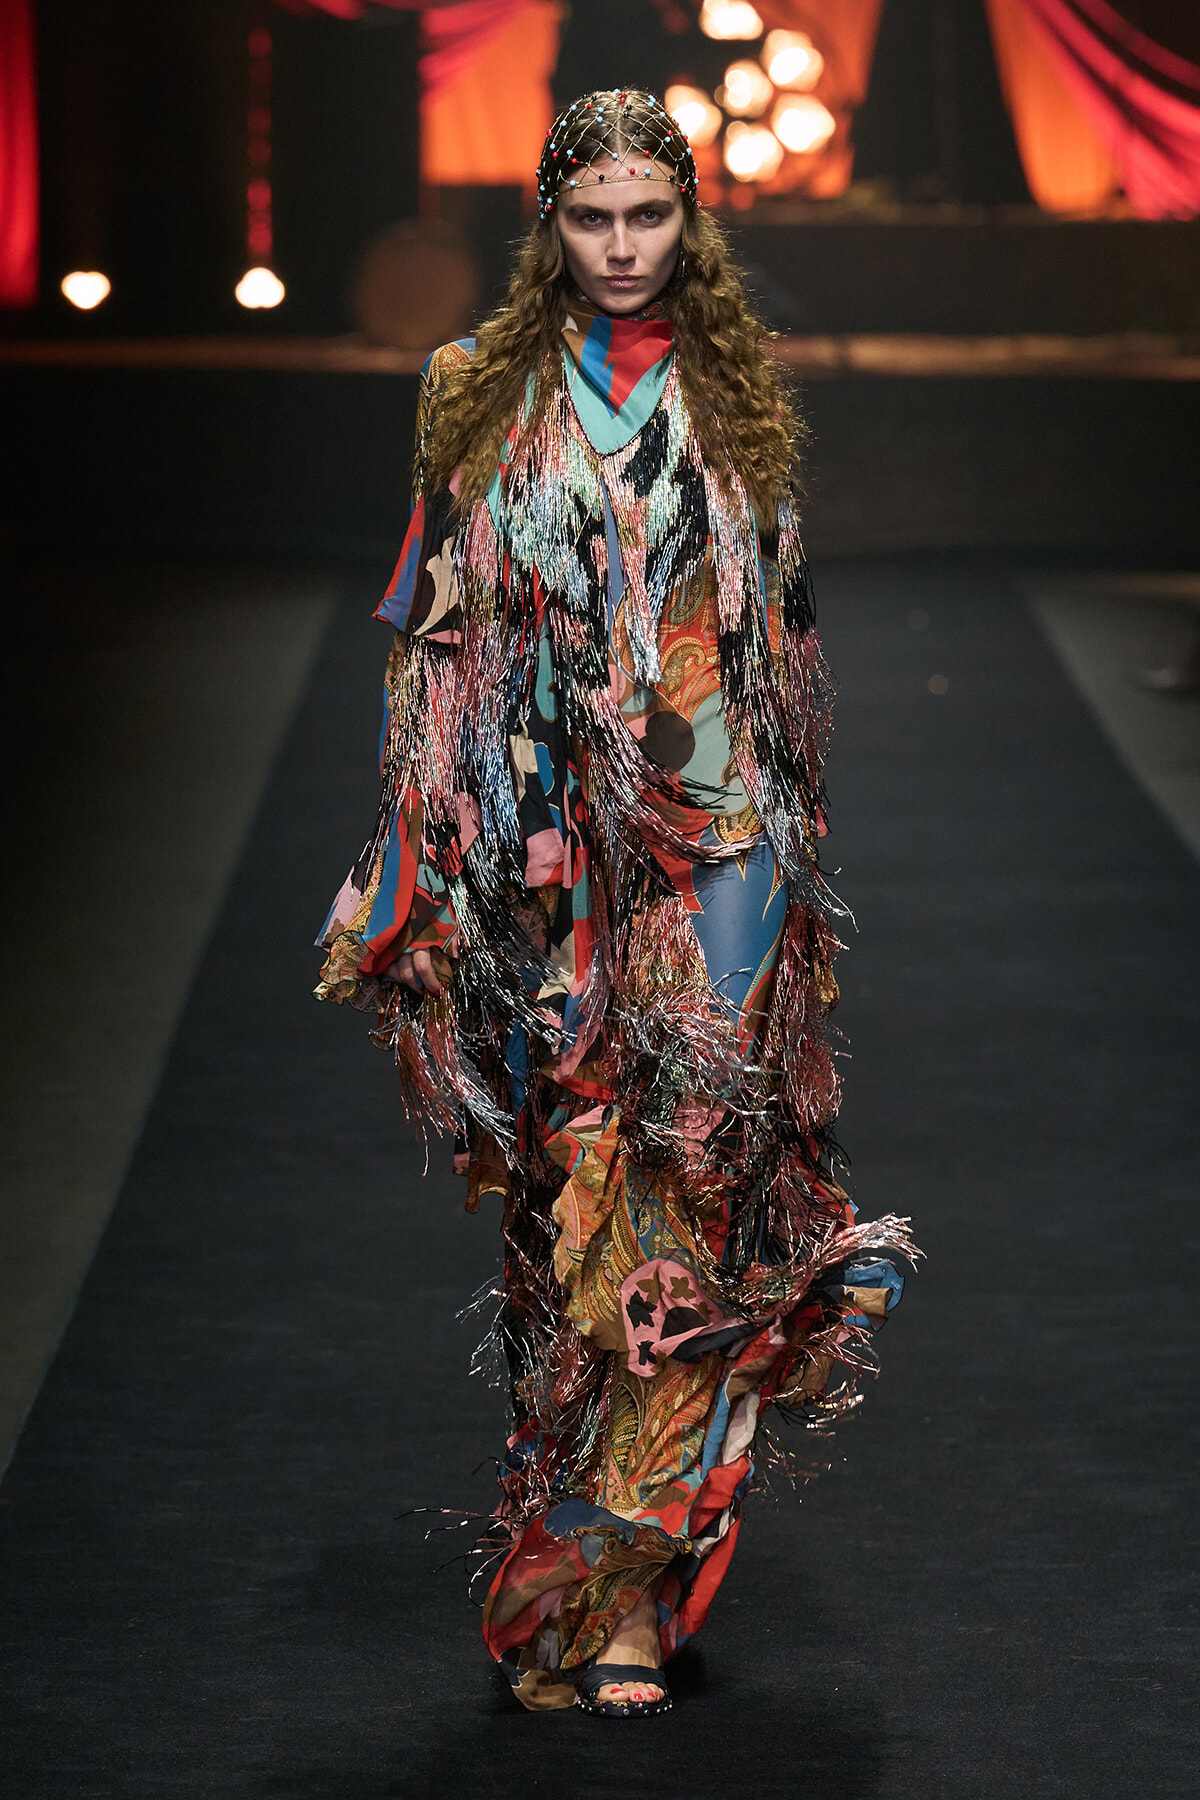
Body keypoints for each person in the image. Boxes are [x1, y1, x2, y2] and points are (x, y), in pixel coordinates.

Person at [316, 88, 913, 1719]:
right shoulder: (472, 386)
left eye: (651, 215)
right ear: (550, 226)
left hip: (721, 842)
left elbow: (782, 642)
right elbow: (431, 648)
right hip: (542, 858)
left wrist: (786, 866)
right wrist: (415, 875)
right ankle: (571, 1559)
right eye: (593, 217)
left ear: (690, 221)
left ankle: (628, 1597)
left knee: (692, 1189)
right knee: (562, 1204)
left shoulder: (737, 387)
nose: (625, 245)